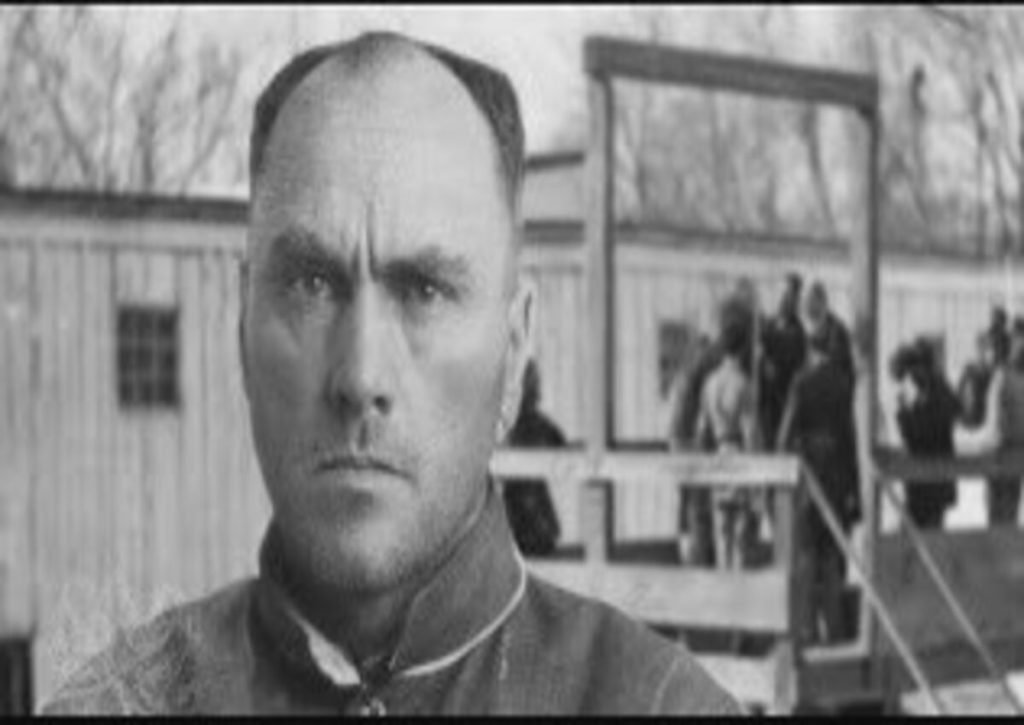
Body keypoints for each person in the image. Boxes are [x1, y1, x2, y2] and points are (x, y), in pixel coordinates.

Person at [41, 33, 740, 715]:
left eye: (425, 289)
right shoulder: (118, 703)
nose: (361, 374)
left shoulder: (658, 703)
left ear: (517, 346)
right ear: (241, 328)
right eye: (312, 283)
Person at [777, 326, 860, 645]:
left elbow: (784, 439)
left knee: (807, 560)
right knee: (832, 562)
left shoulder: (802, 383)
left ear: (811, 349)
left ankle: (807, 633)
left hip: (809, 484)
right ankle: (836, 632)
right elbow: (851, 441)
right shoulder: (844, 384)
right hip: (838, 483)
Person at [696, 296, 760, 571]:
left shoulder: (710, 383)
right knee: (740, 532)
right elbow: (751, 432)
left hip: (717, 455)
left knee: (721, 530)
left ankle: (722, 589)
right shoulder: (743, 383)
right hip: (738, 453)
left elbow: (701, 429)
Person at [958, 326, 1024, 527]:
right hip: (1017, 449)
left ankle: (998, 551)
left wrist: (985, 442)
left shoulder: (1002, 377)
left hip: (1002, 449)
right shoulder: (1011, 378)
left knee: (997, 510)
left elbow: (995, 420)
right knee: (1009, 509)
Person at [891, 339, 959, 529]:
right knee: (926, 533)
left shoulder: (934, 390)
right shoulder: (936, 387)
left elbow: (919, 434)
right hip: (929, 481)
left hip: (928, 481)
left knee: (918, 535)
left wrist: (903, 414)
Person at [502, 360, 563, 557]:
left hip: (523, 519)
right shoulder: (531, 422)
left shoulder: (512, 423)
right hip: (527, 518)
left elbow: (559, 444)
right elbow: (560, 444)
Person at [667, 332, 718, 567]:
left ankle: (693, 554)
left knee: (690, 505)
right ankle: (694, 556)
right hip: (687, 447)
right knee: (695, 506)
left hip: (682, 446)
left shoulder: (685, 379)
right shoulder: (691, 381)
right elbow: (685, 424)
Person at [760, 273, 806, 458]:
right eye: (783, 295)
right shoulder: (768, 326)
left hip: (783, 399)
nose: (785, 300)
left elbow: (796, 365)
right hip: (765, 399)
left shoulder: (798, 332)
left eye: (790, 296)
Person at [802, 281, 854, 385]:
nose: (806, 306)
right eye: (806, 302)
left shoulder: (836, 330)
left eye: (811, 301)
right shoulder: (814, 331)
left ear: (822, 302)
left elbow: (835, 365)